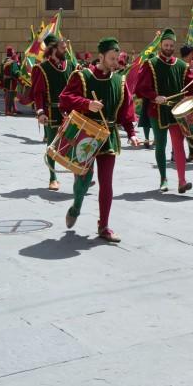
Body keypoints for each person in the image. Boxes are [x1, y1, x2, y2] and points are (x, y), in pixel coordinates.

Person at [60, 37, 140, 241]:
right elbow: (65, 99)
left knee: (107, 183)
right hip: (85, 135)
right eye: (112, 58)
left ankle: (103, 226)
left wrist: (131, 133)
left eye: (117, 58)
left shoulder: (119, 81)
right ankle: (76, 206)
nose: (115, 62)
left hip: (108, 136)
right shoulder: (83, 76)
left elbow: (126, 110)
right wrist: (87, 104)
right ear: (101, 56)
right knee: (84, 180)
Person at [135, 28, 193, 194]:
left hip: (177, 111)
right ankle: (163, 178)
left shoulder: (182, 65)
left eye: (171, 45)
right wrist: (155, 96)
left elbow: (190, 86)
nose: (168, 47)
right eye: (166, 44)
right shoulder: (151, 64)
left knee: (178, 146)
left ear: (174, 46)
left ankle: (182, 181)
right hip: (158, 110)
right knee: (160, 145)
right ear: (161, 45)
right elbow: (140, 88)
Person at [31, 35, 75, 191]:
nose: (66, 50)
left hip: (70, 112)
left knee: (74, 144)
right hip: (51, 112)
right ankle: (53, 178)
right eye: (63, 48)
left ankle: (80, 175)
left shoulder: (70, 65)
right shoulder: (42, 68)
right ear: (54, 48)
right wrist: (40, 112)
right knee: (52, 146)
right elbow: (38, 93)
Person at [0, 46, 21, 116]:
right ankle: (8, 111)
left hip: (5, 80)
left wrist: (1, 80)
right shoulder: (12, 62)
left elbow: (1, 72)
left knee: (8, 95)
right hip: (11, 81)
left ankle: (13, 109)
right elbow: (15, 72)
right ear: (12, 53)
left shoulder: (4, 61)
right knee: (10, 96)